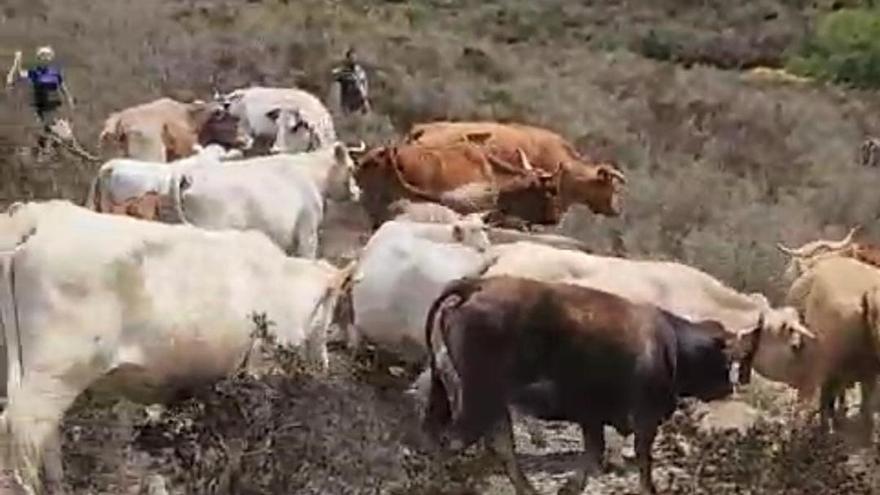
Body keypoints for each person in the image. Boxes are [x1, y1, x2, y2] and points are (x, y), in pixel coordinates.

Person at [6, 46, 76, 153]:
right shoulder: (35, 71)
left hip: (55, 105)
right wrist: (17, 60)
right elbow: (19, 74)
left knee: (63, 133)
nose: (45, 58)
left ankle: (54, 148)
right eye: (43, 56)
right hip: (42, 106)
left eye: (48, 56)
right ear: (39, 58)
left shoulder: (55, 71)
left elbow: (62, 86)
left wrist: (69, 99)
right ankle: (47, 149)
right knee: (53, 130)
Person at [331, 48, 370, 115]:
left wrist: (365, 100)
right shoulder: (343, 71)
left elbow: (364, 86)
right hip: (348, 103)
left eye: (354, 57)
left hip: (359, 102)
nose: (353, 59)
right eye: (351, 58)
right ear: (348, 59)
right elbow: (334, 78)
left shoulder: (360, 71)